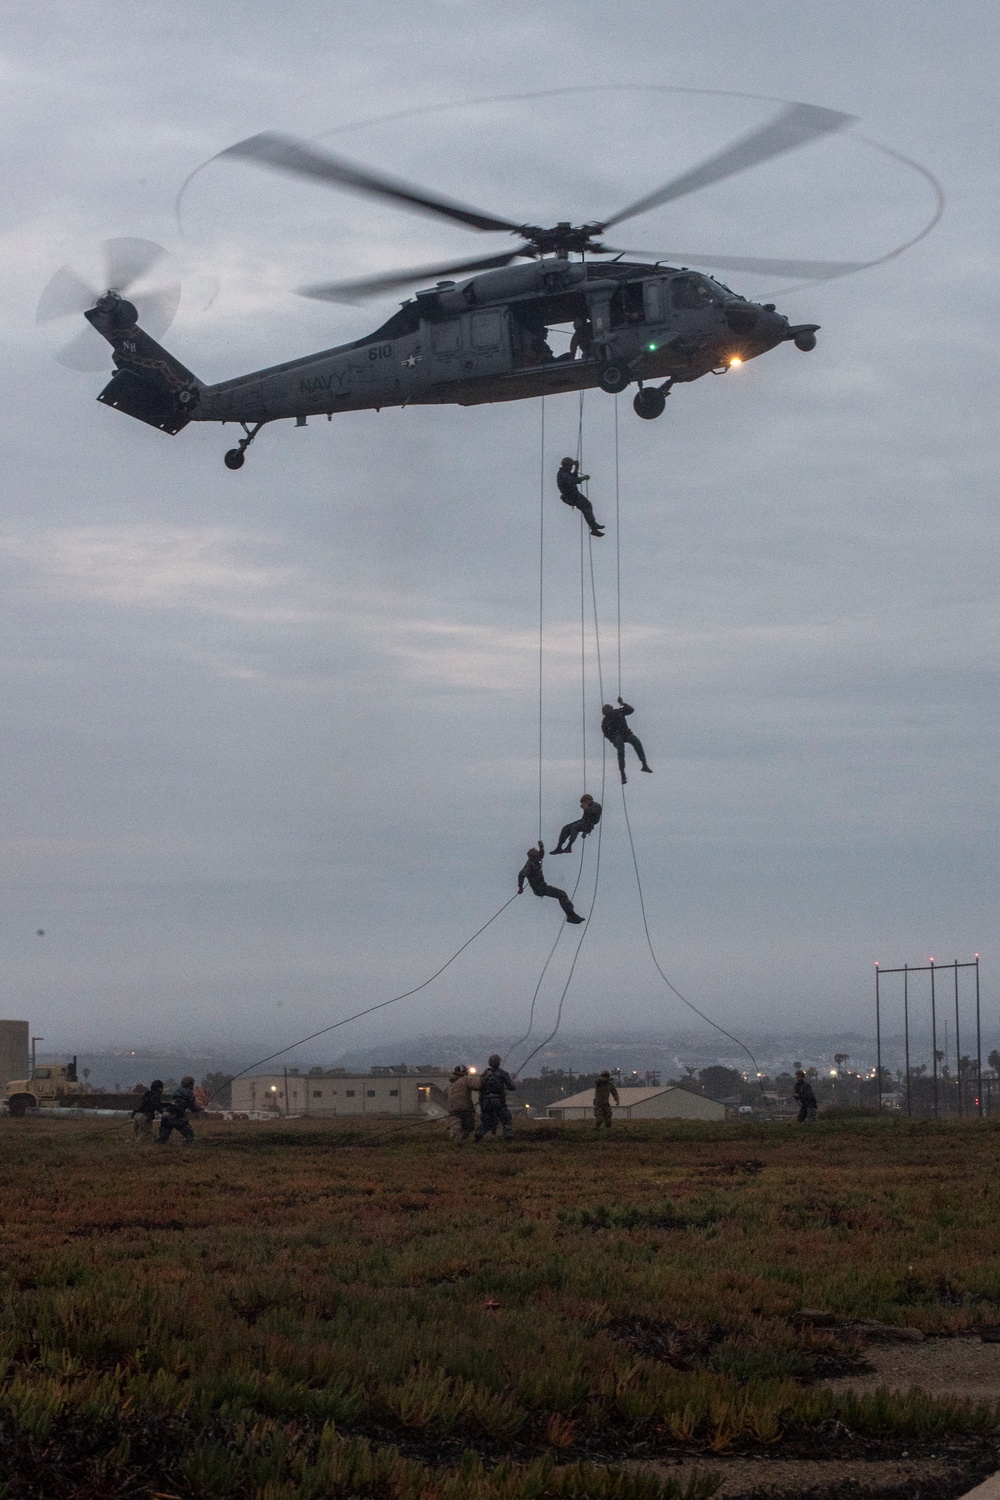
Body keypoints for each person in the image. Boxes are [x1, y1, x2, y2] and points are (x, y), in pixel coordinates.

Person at [518, 841, 585, 923]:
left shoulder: (534, 861)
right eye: (535, 856)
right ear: (532, 857)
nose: (538, 858)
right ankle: (571, 916)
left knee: (562, 894)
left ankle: (572, 915)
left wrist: (541, 848)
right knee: (562, 894)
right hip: (539, 888)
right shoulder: (529, 865)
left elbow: (540, 856)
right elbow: (521, 875)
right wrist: (520, 887)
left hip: (542, 887)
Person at [601, 697, 651, 784]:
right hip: (616, 736)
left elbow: (630, 710)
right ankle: (622, 773)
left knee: (637, 742)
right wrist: (613, 739)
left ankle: (644, 764)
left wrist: (622, 703)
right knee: (621, 750)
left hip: (626, 733)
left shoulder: (618, 712)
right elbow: (605, 733)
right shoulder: (605, 721)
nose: (608, 711)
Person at [556, 458, 604, 538]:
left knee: (587, 506)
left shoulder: (565, 472)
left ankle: (593, 525)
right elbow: (574, 480)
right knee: (586, 507)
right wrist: (583, 478)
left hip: (574, 495)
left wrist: (576, 468)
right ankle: (594, 528)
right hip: (571, 496)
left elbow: (573, 476)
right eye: (570, 466)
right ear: (566, 466)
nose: (571, 468)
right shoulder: (562, 474)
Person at [475, 1054, 517, 1141]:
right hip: (498, 1100)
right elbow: (510, 1087)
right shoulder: (503, 1073)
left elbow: (479, 1087)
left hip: (486, 1101)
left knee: (487, 1122)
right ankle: (508, 1137)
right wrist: (513, 1085)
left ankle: (478, 1135)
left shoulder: (484, 1074)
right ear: (499, 1063)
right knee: (506, 1119)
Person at [156, 1075, 202, 1146]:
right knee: (190, 1137)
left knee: (162, 1139)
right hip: (178, 1118)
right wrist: (201, 1108)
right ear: (190, 1084)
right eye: (192, 1084)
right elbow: (193, 1108)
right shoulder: (189, 1093)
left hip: (167, 1116)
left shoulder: (177, 1091)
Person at [447, 1065, 479, 1140]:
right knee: (468, 1128)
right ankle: (462, 1142)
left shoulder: (451, 1085)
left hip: (452, 1110)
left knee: (455, 1128)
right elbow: (478, 1085)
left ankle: (455, 1142)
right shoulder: (465, 1079)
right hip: (465, 1108)